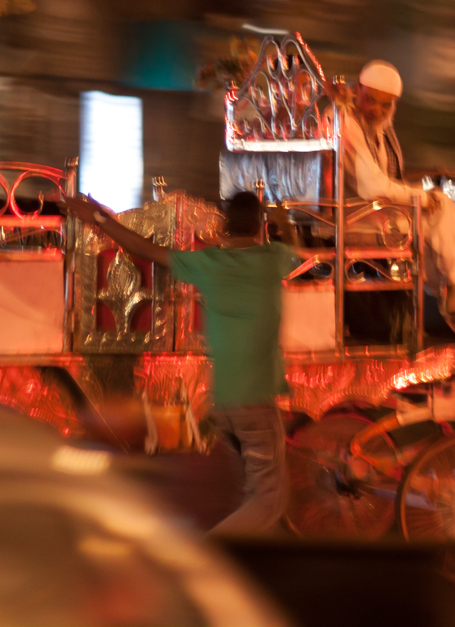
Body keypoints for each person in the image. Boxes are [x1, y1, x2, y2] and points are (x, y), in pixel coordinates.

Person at [60, 189, 296, 535]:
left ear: (226, 227)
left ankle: (252, 567)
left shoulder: (210, 264)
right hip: (256, 401)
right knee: (269, 500)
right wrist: (281, 219)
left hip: (224, 402)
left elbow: (147, 250)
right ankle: (205, 556)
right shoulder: (271, 260)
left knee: (254, 494)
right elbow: (293, 246)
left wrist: (99, 217)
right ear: (259, 227)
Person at [340, 59, 455, 334]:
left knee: (442, 213)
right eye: (370, 100)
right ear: (356, 91)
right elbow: (371, 186)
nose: (376, 109)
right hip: (353, 218)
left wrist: (423, 197)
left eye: (385, 105)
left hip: (373, 212)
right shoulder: (346, 123)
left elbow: (387, 181)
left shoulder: (380, 131)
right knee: (440, 211)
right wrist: (420, 197)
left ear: (394, 106)